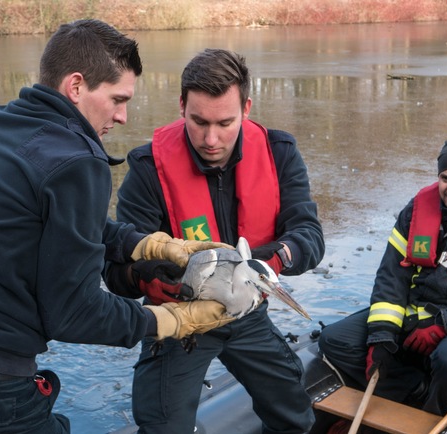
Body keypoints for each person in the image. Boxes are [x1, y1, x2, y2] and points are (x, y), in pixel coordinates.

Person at [0, 20, 234, 433]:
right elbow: (74, 313)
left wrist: (150, 245)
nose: (123, 116)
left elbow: (51, 224)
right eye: (117, 99)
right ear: (76, 86)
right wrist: (171, 321)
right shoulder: (77, 161)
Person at [107, 48, 324, 434]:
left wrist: (262, 267)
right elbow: (117, 273)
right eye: (199, 121)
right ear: (181, 106)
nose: (211, 139)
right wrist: (162, 279)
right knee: (162, 427)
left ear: (247, 107)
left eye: (225, 122)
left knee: (294, 410)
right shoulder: (146, 167)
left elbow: (309, 237)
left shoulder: (280, 153)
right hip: (179, 322)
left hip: (247, 311)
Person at [318, 137, 447, 424]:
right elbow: (391, 278)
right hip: (417, 313)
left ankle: (438, 416)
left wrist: (445, 323)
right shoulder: (416, 211)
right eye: (445, 178)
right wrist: (381, 336)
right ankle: (414, 386)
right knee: (334, 341)